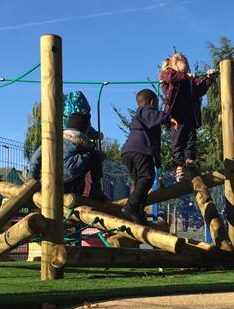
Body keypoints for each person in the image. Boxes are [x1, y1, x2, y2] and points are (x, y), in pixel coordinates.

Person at [120, 89, 176, 224]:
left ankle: (138, 213)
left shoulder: (141, 116)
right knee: (147, 177)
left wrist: (157, 159)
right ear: (152, 102)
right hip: (140, 151)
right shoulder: (146, 110)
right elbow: (155, 116)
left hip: (128, 152)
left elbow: (154, 142)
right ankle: (131, 206)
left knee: (141, 182)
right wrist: (169, 118)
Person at [158, 52, 216, 181]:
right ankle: (179, 165)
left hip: (189, 115)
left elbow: (200, 89)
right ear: (175, 66)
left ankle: (189, 160)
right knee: (177, 141)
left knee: (191, 139)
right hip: (176, 116)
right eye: (182, 69)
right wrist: (184, 76)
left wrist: (208, 79)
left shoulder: (190, 81)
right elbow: (171, 77)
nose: (185, 71)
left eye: (186, 69)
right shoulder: (168, 73)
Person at [29, 113, 107, 201]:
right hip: (68, 178)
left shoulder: (54, 139)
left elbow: (35, 158)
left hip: (47, 180)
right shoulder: (82, 140)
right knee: (95, 157)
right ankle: (95, 189)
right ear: (86, 129)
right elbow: (93, 151)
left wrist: (33, 180)